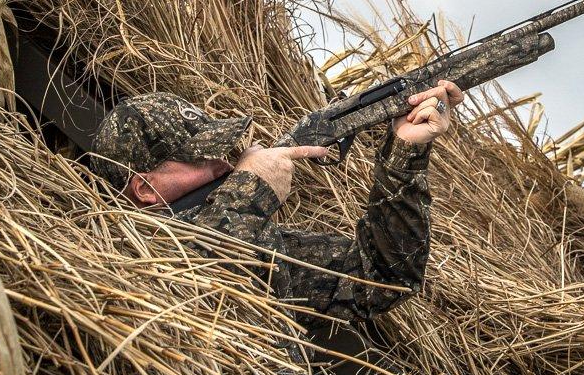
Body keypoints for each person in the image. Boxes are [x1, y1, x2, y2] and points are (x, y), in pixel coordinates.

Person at [90, 80, 464, 327]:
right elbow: (190, 300)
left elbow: (385, 278)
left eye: (220, 151)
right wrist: (250, 190)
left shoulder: (253, 240)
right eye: (201, 159)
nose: (224, 163)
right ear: (144, 189)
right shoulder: (116, 267)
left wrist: (404, 152)